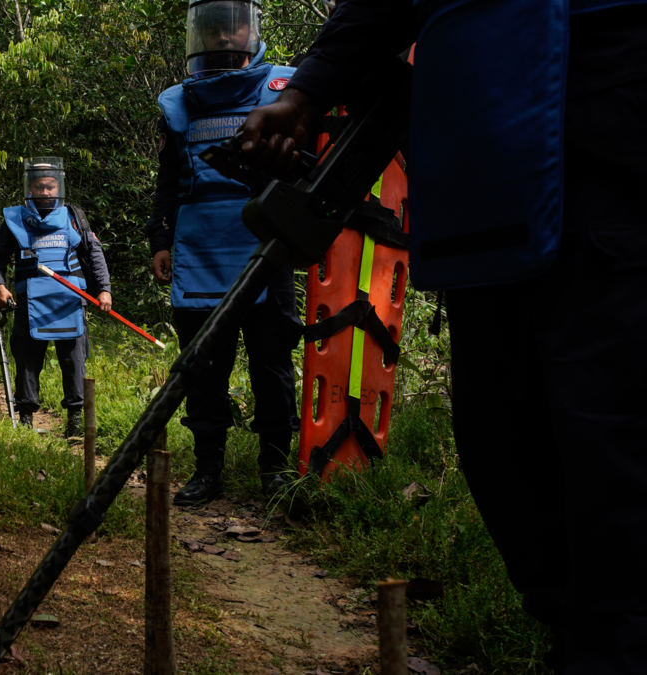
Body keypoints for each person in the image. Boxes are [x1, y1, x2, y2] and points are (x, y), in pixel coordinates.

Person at [237, 0, 647, 669]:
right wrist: (309, 89)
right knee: (504, 446)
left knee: (610, 447)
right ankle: (574, 637)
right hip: (483, 186)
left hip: (610, 150)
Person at [145, 0, 303, 505]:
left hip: (263, 243)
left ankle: (275, 470)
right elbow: (168, 183)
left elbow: (308, 170)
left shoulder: (284, 88)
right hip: (198, 249)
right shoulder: (177, 104)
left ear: (249, 30)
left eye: (232, 26)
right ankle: (207, 469)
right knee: (202, 367)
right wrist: (160, 241)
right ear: (201, 35)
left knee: (272, 364)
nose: (223, 35)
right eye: (213, 28)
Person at [0, 158, 112, 438]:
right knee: (27, 361)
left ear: (59, 186)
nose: (45, 192)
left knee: (74, 361)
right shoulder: (14, 219)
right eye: (39, 187)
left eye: (50, 186)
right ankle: (27, 418)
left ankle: (75, 422)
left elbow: (94, 253)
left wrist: (104, 289)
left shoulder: (74, 217)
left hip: (71, 300)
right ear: (29, 188)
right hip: (29, 301)